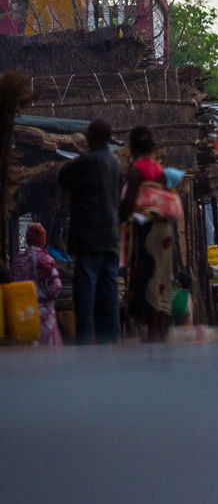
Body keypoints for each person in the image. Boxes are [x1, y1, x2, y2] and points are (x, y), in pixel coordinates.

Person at [56, 119, 122, 344]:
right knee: (109, 292)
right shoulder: (115, 163)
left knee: (86, 294)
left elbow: (62, 177)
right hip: (110, 238)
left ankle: (85, 341)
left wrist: (80, 157)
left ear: (91, 137)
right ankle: (109, 339)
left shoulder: (88, 161)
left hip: (89, 238)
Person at [120, 125, 175, 343]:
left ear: (132, 148)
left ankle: (152, 331)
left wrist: (118, 215)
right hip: (164, 231)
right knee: (161, 275)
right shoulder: (158, 170)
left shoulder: (136, 170)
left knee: (147, 274)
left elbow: (128, 205)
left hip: (147, 232)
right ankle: (160, 327)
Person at [12, 222, 62, 346]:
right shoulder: (46, 259)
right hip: (44, 318)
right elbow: (56, 287)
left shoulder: (17, 259)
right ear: (43, 239)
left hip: (22, 314)